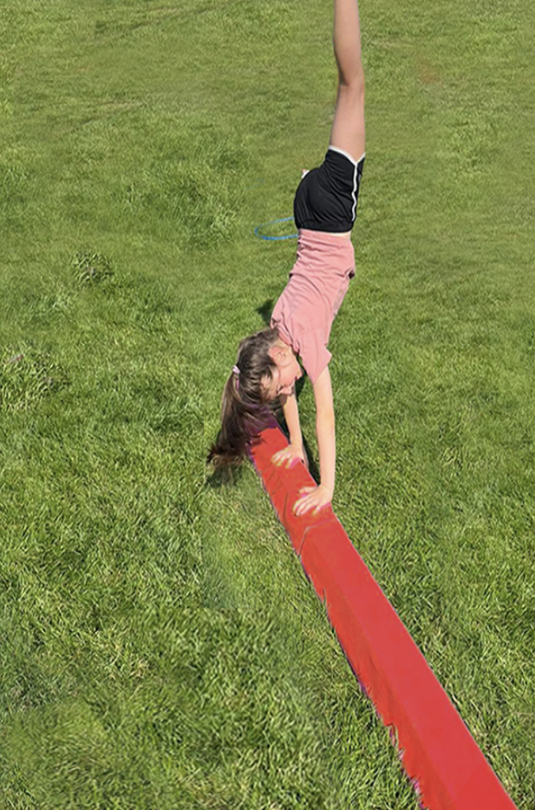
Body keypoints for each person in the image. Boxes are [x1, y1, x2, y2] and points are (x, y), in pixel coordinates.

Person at [208, 0, 365, 515]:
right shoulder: (277, 324)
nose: (285, 393)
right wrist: (295, 448)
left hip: (329, 211)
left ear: (276, 355)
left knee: (351, 85)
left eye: (278, 384)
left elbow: (326, 412)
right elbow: (294, 397)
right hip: (305, 209)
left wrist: (326, 487)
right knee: (346, 93)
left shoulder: (305, 342)